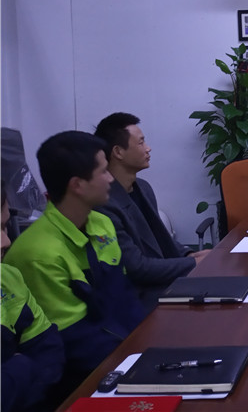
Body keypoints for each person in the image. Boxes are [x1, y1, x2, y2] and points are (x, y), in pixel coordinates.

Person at [4, 131, 145, 397]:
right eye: (103, 171)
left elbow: (125, 298)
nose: (111, 178)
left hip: (123, 354)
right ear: (78, 185)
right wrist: (139, 360)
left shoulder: (102, 223)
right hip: (83, 379)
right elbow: (76, 341)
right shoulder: (38, 253)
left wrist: (148, 342)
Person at [94, 112, 210, 310]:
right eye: (141, 143)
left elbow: (159, 239)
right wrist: (194, 263)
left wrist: (190, 254)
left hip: (167, 282)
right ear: (118, 152)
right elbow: (137, 268)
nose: (148, 148)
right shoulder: (105, 203)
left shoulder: (143, 187)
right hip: (142, 295)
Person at [1, 181, 65, 412]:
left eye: (4, 227)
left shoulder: (8, 276)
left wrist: (14, 371)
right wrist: (22, 366)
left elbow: (50, 354)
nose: (6, 241)